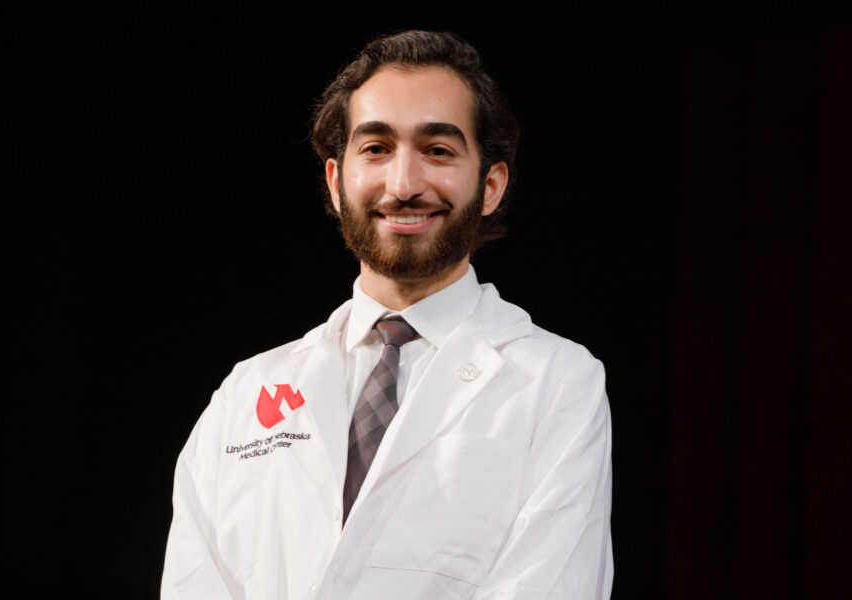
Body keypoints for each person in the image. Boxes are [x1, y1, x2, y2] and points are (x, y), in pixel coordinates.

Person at [162, 30, 613, 599]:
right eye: (376, 148)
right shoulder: (246, 394)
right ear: (335, 180)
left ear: (492, 185)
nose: (403, 185)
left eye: (438, 151)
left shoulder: (557, 384)